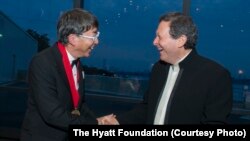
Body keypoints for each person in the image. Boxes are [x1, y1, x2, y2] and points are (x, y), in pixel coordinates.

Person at [107, 12, 233, 125]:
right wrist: (118, 121)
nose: (154, 42)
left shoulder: (215, 75)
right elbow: (147, 108)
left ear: (180, 41)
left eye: (159, 37)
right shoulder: (159, 68)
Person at [20, 8, 114, 141]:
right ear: (73, 39)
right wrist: (95, 124)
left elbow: (79, 104)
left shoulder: (77, 64)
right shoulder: (43, 62)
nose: (97, 41)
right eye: (93, 36)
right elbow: (52, 114)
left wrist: (97, 120)